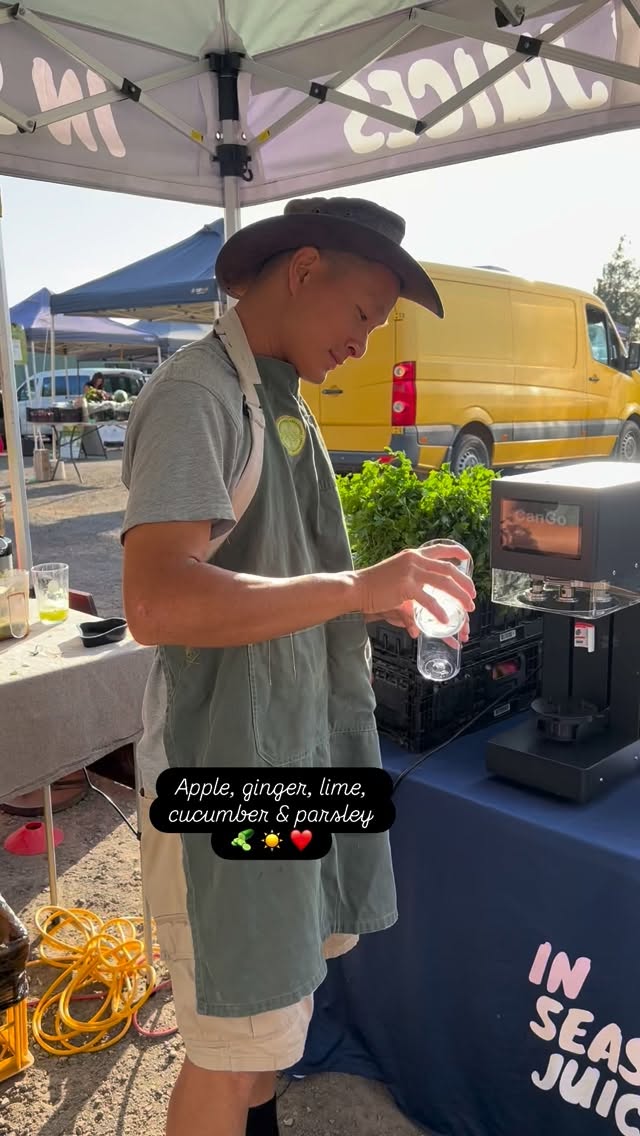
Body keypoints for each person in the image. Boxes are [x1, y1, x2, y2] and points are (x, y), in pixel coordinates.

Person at [120, 196, 476, 1136]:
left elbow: (290, 582)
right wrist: (359, 585)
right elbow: (155, 602)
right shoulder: (201, 395)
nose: (364, 346)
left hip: (292, 758)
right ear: (303, 268)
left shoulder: (280, 402)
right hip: (223, 775)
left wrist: (384, 589)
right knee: (230, 1039)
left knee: (276, 1015)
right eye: (361, 315)